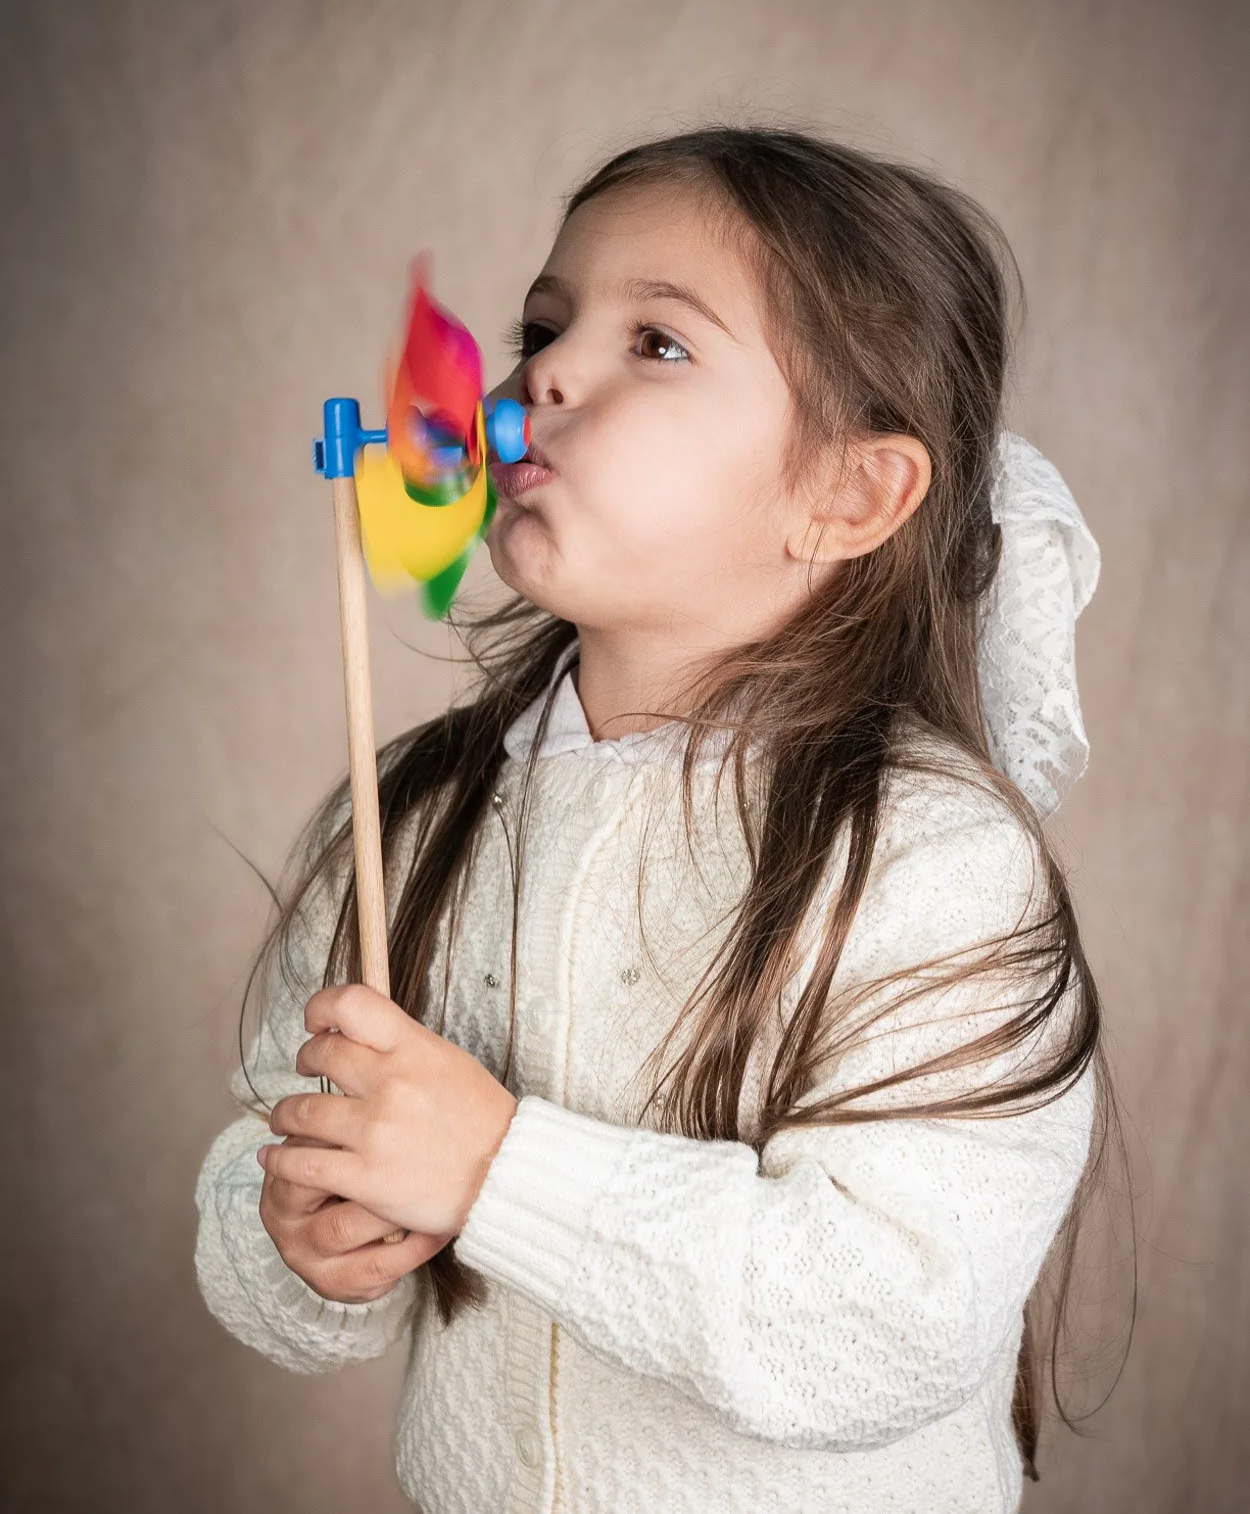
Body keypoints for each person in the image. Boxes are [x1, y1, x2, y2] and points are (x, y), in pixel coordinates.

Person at [195, 124, 1116, 1514]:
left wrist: (494, 1167)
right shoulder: (413, 817)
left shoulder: (939, 862)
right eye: (546, 323)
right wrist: (293, 1233)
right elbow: (267, 1153)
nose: (541, 371)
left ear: (846, 492)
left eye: (659, 343)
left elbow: (884, 1322)